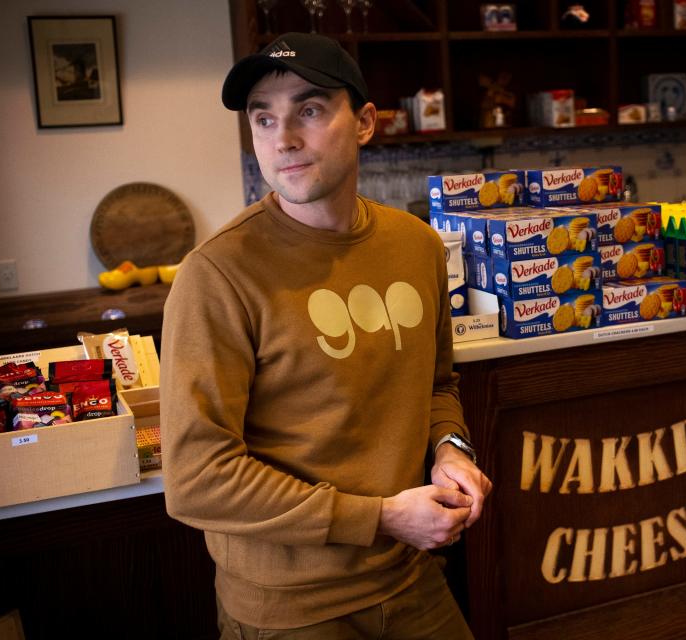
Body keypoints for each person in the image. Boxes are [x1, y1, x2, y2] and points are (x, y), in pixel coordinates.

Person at [160, 32, 492, 639]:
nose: (283, 138)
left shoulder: (415, 245)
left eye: (308, 111)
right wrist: (384, 516)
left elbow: (438, 386)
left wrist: (452, 450)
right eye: (264, 119)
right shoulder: (217, 275)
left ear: (364, 122)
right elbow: (196, 480)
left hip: (409, 577)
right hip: (288, 608)